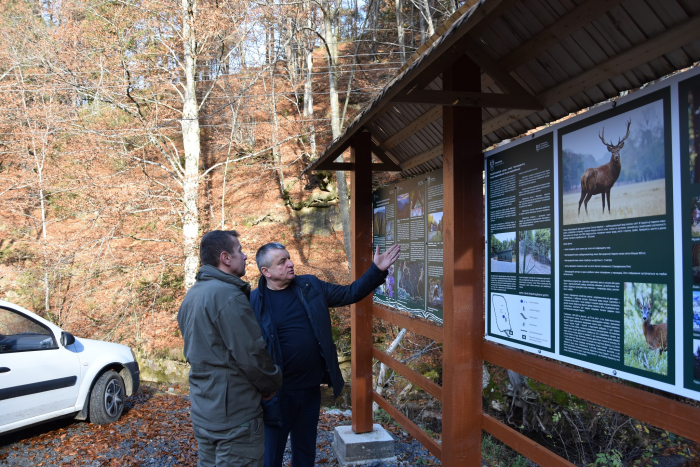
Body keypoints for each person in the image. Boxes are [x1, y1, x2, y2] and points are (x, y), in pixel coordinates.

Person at [250, 243, 400, 467]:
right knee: (271, 457)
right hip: (277, 394)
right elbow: (247, 350)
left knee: (305, 452)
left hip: (310, 389)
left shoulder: (310, 286)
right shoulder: (253, 302)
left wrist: (376, 271)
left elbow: (350, 293)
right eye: (282, 262)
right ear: (266, 272)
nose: (291, 263)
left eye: (289, 258)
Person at [178, 230, 283, 467]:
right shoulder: (228, 296)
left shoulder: (192, 295)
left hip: (205, 411)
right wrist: (272, 383)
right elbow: (252, 354)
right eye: (240, 251)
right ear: (226, 258)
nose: (245, 256)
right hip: (235, 418)